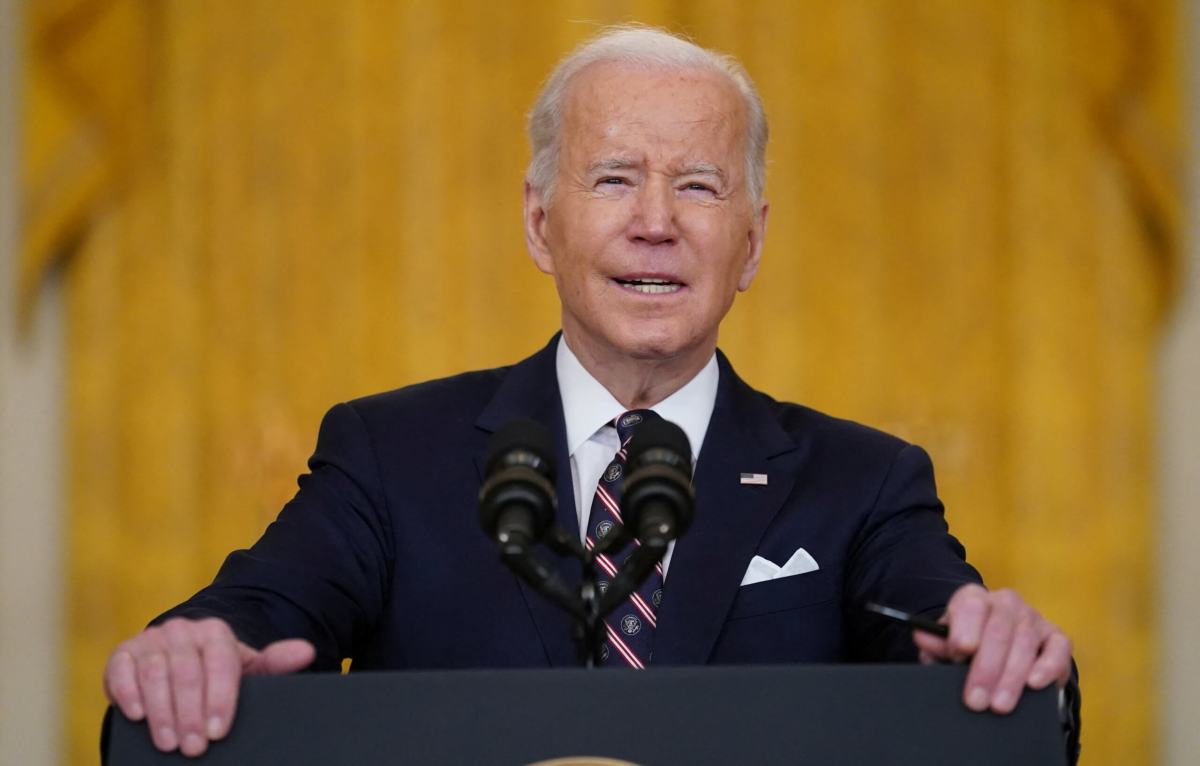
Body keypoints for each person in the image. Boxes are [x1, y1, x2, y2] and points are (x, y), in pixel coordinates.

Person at [102, 25, 1076, 759]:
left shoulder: (864, 480)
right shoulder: (389, 455)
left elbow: (942, 619)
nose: (655, 223)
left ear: (754, 242)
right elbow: (256, 612)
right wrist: (197, 648)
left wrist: (993, 640)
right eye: (614, 179)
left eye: (698, 186)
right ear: (539, 224)